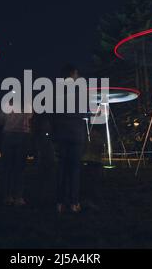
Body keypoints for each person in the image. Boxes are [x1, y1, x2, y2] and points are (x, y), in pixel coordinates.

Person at [53, 64, 87, 214]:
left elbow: (53, 113)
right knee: (74, 170)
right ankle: (74, 203)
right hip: (76, 134)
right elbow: (84, 111)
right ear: (73, 74)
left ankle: (60, 203)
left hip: (62, 134)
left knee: (62, 169)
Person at [0, 102, 33, 206]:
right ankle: (19, 196)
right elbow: (30, 117)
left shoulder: (6, 106)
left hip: (8, 135)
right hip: (23, 134)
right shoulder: (28, 105)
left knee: (8, 167)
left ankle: (7, 196)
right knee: (20, 168)